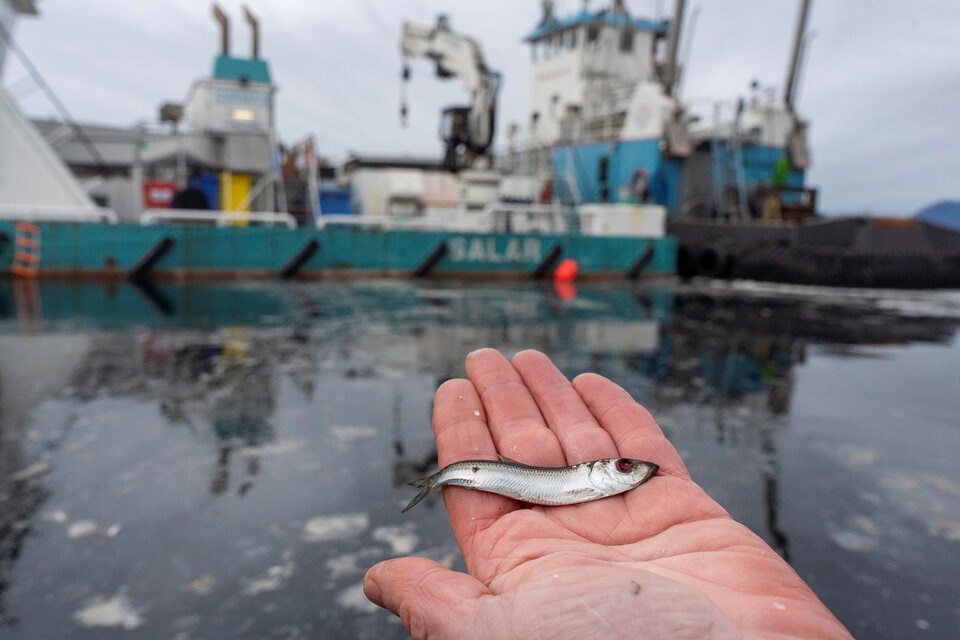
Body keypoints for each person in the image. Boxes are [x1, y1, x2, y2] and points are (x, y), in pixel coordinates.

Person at [363, 348, 852, 639]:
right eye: (623, 467)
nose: (631, 471)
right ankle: (436, 480)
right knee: (458, 466)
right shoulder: (574, 478)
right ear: (599, 471)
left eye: (627, 468)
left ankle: (439, 479)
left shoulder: (595, 482)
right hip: (473, 472)